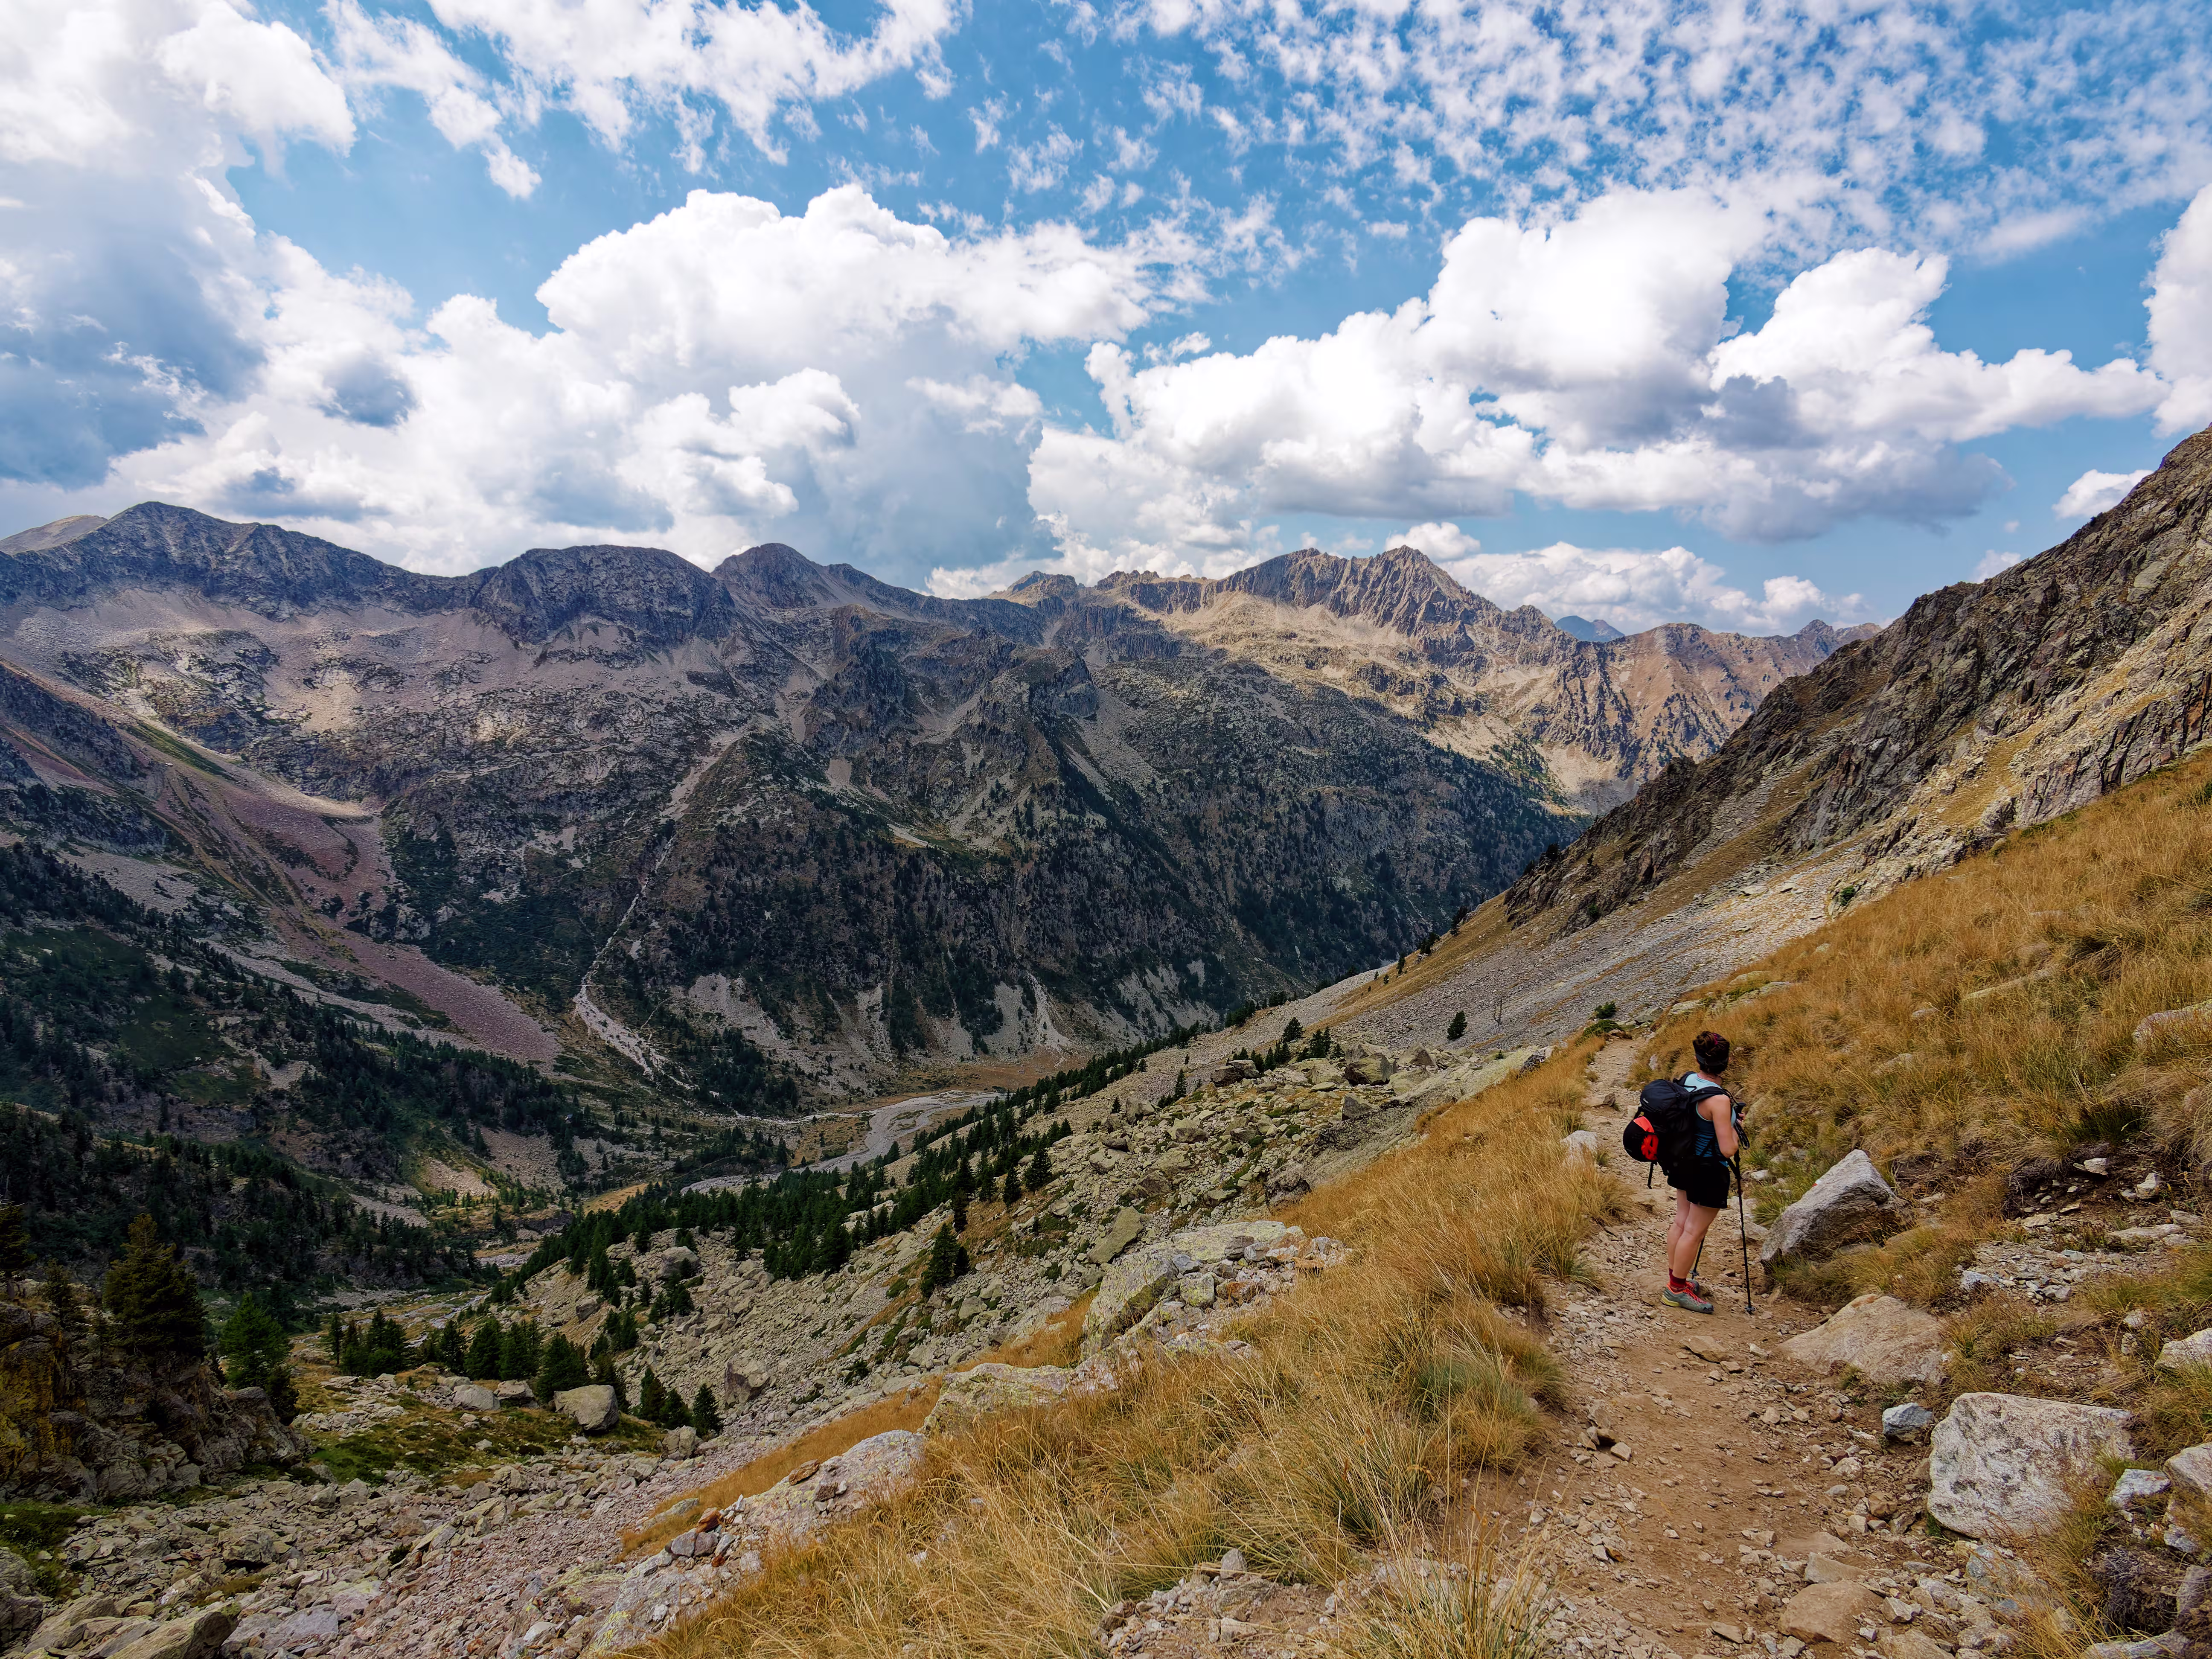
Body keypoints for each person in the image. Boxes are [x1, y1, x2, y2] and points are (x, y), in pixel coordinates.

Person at [1661, 1029, 1740, 1314]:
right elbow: (1728, 1149)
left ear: (1698, 1059)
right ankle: (1676, 1290)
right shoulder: (1720, 1101)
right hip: (1709, 1169)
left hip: (1685, 1162)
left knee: (1681, 1223)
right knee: (1694, 1231)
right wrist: (1734, 1125)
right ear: (1726, 1062)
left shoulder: (1687, 1080)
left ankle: (1676, 1279)